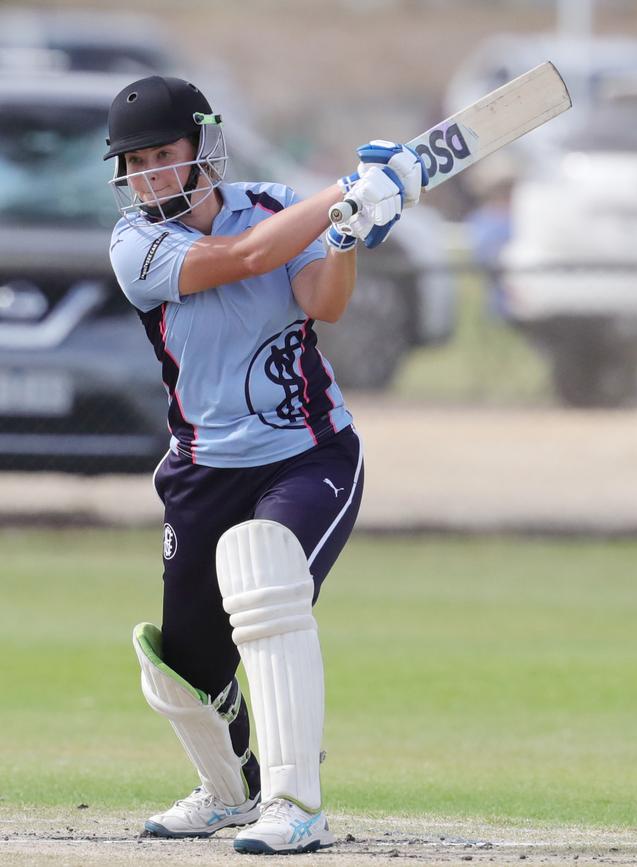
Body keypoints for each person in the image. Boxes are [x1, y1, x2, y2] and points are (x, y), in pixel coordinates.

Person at [105, 75, 425, 856]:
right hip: (201, 470)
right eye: (134, 161)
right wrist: (347, 192)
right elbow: (245, 256)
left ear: (202, 149)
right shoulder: (136, 243)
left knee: (267, 574)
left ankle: (294, 803)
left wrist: (345, 237)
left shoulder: (279, 203)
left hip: (307, 450)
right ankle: (229, 793)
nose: (148, 174)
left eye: (162, 154)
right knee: (181, 669)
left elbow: (324, 300)